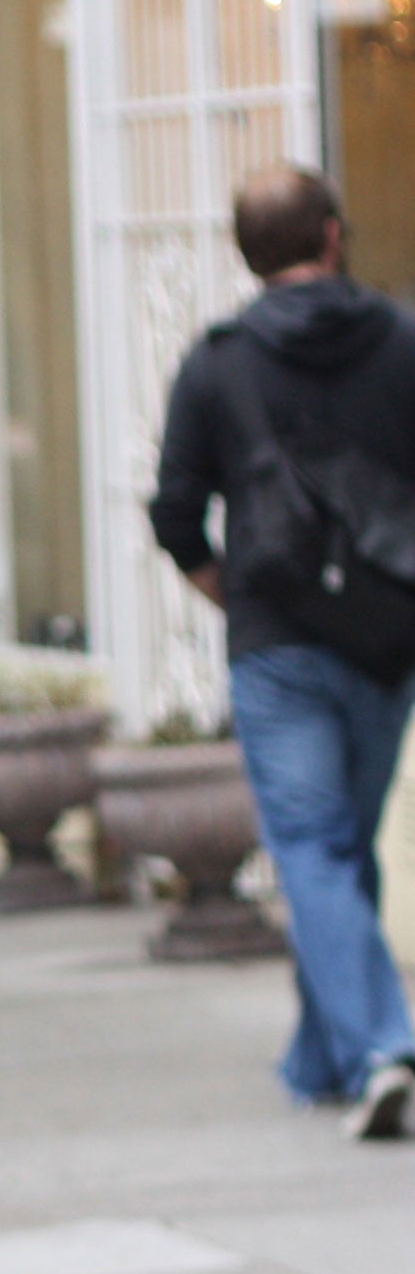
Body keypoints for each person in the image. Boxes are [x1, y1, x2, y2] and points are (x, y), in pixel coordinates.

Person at [146, 165, 415, 1139]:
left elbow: (175, 512)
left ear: (244, 252)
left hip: (279, 646)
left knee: (312, 847)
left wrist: (230, 591)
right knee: (340, 848)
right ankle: (325, 1058)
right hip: (386, 640)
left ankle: (383, 1046)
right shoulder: (401, 340)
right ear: (335, 236)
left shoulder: (217, 363)